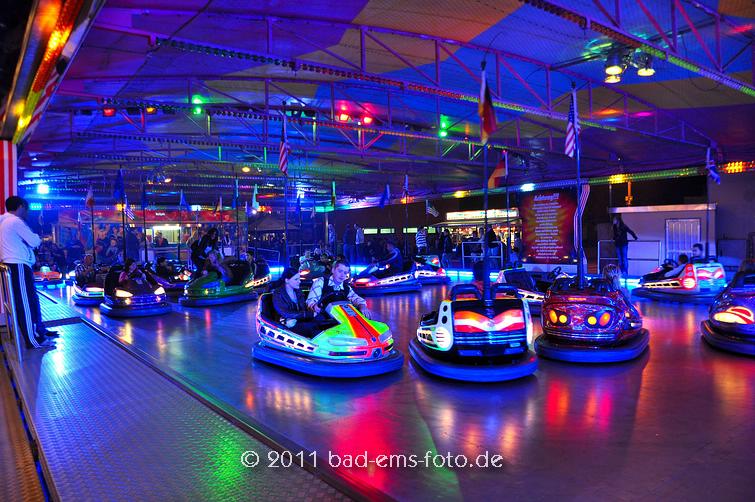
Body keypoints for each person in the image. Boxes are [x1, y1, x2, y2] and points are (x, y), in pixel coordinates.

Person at [0, 196, 58, 347]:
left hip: (15, 266)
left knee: (30, 300)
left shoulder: (5, 222)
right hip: (18, 265)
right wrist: (35, 237)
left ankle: (39, 331)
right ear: (20, 207)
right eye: (26, 210)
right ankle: (33, 340)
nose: (26, 213)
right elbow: (34, 241)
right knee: (24, 303)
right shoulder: (14, 221)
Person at [307, 259, 371, 318]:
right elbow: (311, 301)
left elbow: (355, 298)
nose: (342, 275)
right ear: (333, 270)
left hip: (341, 319)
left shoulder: (346, 287)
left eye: (345, 273)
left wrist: (362, 306)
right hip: (323, 319)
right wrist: (314, 306)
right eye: (340, 271)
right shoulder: (321, 282)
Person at [273, 268, 322, 337]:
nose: (299, 281)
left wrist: (314, 308)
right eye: (296, 279)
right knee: (310, 327)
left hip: (299, 320)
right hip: (285, 323)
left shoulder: (298, 292)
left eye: (299, 279)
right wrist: (308, 314)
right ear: (287, 280)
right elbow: (285, 313)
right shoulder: (278, 293)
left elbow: (304, 308)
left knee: (320, 320)